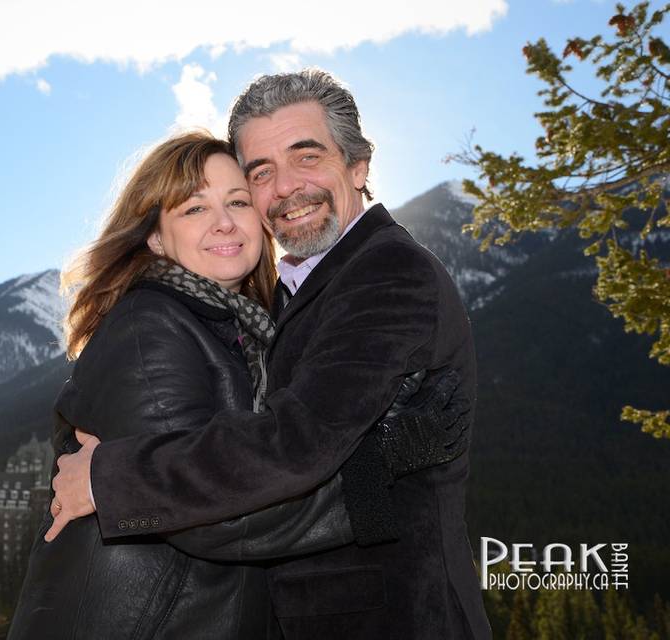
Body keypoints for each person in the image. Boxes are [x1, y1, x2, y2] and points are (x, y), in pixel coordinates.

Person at [47, 70, 492, 639]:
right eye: (261, 172)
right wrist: (382, 467)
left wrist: (112, 481)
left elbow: (295, 444)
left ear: (357, 166)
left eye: (306, 157)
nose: (285, 187)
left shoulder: (386, 272)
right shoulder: (261, 304)